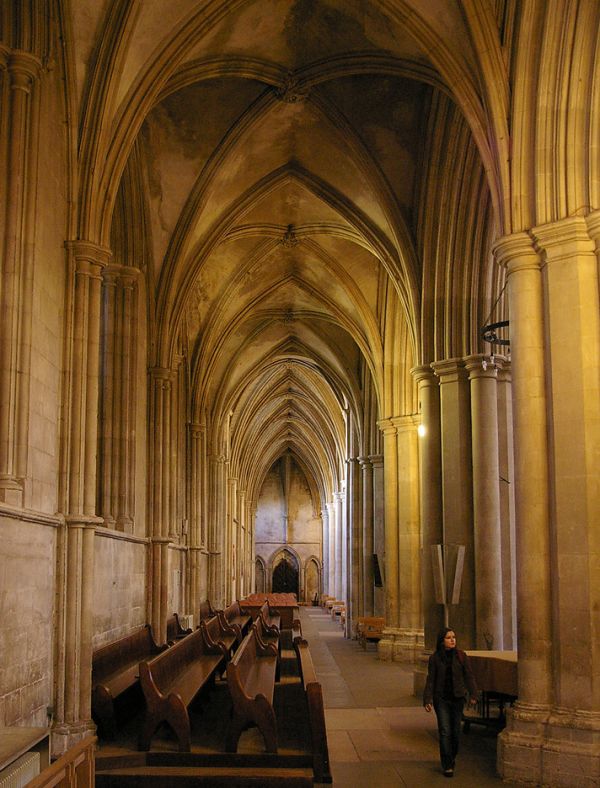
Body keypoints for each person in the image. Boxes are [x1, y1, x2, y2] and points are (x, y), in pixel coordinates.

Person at [423, 627, 478, 777]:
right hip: (441, 698)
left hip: (457, 698)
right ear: (442, 641)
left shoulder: (461, 656)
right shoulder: (435, 658)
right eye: (448, 638)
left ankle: (452, 756)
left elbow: (469, 676)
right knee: (445, 730)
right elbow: (431, 679)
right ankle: (447, 764)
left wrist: (474, 694)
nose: (452, 640)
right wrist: (427, 699)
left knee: (455, 732)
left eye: (453, 637)